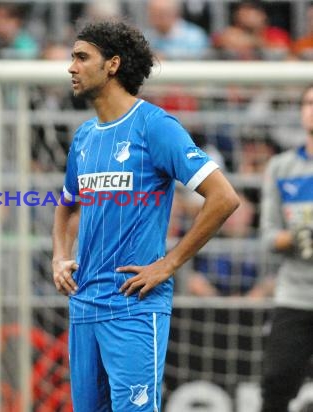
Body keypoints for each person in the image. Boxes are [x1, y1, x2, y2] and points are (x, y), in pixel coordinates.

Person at [51, 19, 240, 411]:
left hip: (133, 306)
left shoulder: (155, 126)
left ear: (113, 64)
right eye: (72, 57)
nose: (71, 67)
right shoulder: (84, 137)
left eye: (82, 57)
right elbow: (68, 203)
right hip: (85, 304)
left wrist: (167, 264)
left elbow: (223, 197)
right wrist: (59, 255)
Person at [259, 84, 313, 412]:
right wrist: (297, 237)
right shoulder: (281, 167)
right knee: (276, 385)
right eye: (308, 102)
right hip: (295, 296)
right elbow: (267, 237)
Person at [144, 0, 210, 60]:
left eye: (161, 14)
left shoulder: (196, 36)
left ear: (175, 13)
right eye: (153, 14)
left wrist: (167, 57)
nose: (156, 20)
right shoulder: (147, 36)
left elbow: (199, 59)